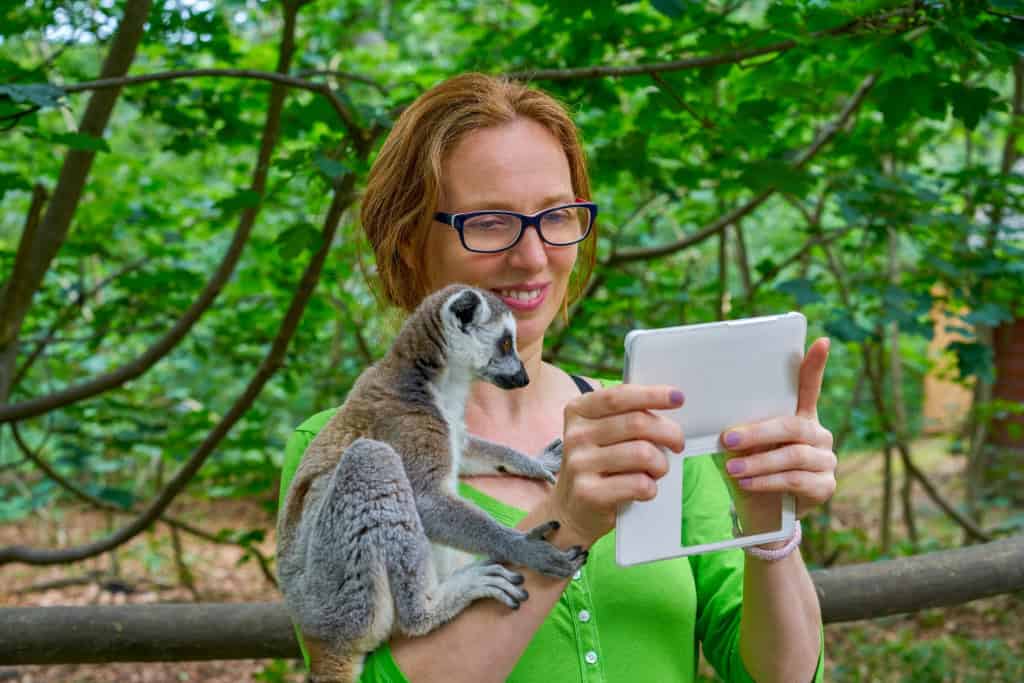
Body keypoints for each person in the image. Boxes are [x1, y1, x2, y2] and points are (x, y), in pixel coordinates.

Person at [279, 72, 836, 683]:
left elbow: (776, 674)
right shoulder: (346, 452)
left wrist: (769, 526)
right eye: (490, 222)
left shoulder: (653, 425)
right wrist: (563, 524)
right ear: (409, 239)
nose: (533, 256)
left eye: (557, 215)